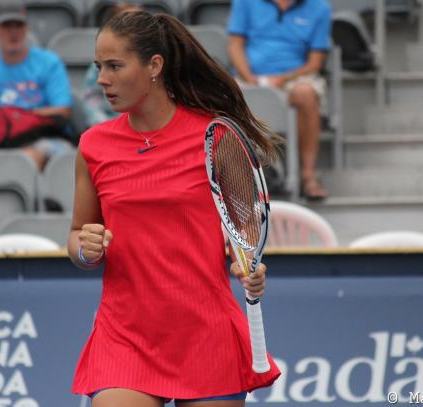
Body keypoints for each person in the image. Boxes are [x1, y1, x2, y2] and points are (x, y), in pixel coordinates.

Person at [67, 10, 281, 407]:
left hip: (205, 332)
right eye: (99, 66)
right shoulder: (92, 146)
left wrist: (245, 261)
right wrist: (85, 248)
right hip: (126, 334)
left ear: (154, 66)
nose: (101, 79)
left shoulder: (213, 136)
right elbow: (78, 235)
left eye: (115, 66)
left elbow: (244, 227)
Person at [228, 0, 332, 200]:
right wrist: (251, 79)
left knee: (306, 94)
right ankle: (230, 179)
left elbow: (315, 62)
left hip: (294, 78)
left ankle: (308, 176)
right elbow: (235, 46)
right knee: (221, 96)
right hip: (248, 76)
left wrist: (282, 79)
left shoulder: (320, 8)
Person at [0, 0, 73, 171]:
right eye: (6, 26)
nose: (13, 32)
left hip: (39, 136)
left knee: (27, 159)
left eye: (18, 25)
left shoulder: (49, 63)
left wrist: (19, 116)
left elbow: (62, 110)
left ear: (26, 28)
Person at [80, 3, 141, 127]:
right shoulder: (98, 67)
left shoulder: (151, 63)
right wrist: (108, 127)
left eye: (139, 24)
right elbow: (91, 101)